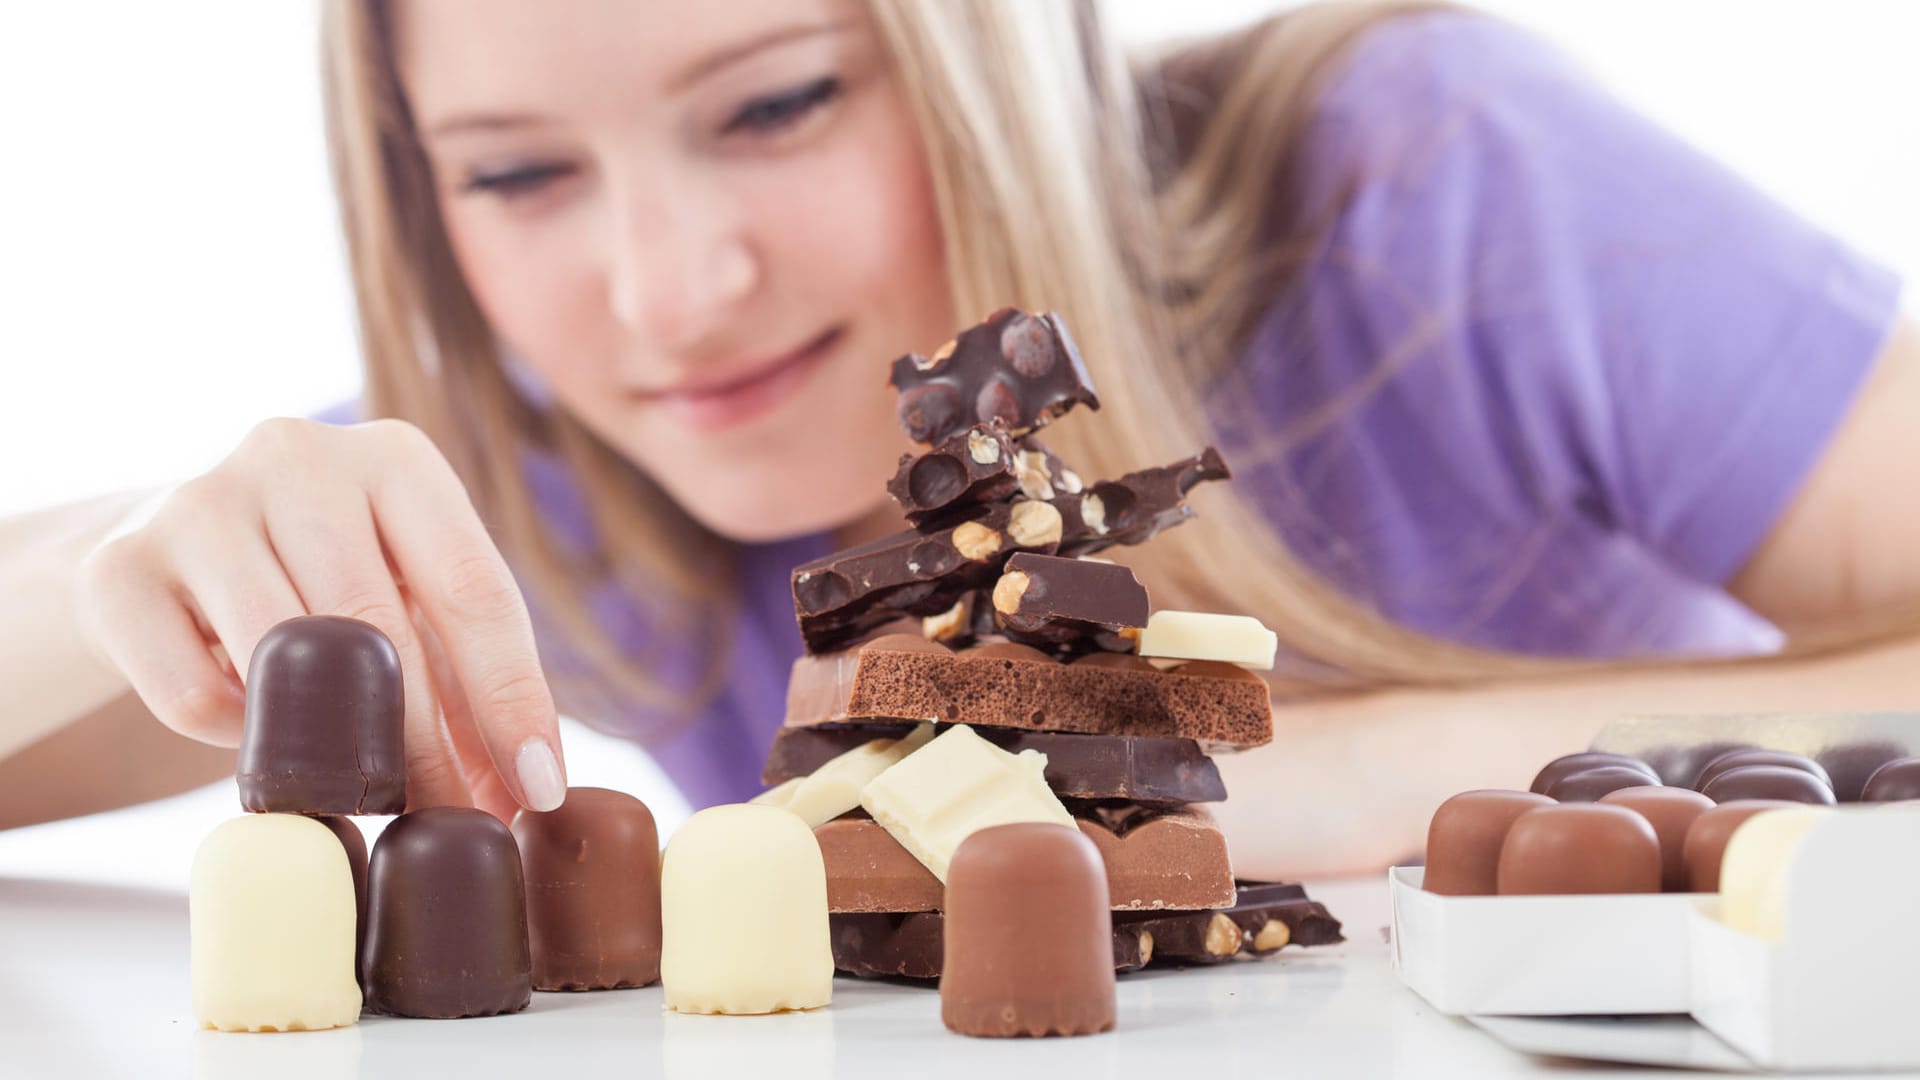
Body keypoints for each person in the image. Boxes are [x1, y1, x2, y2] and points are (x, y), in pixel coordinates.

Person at [1, 0, 1914, 877]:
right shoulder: (574, 469)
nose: (669, 294)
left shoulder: (1432, 187)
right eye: (516, 175)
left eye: (773, 108)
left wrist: (1363, 778)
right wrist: (162, 554)